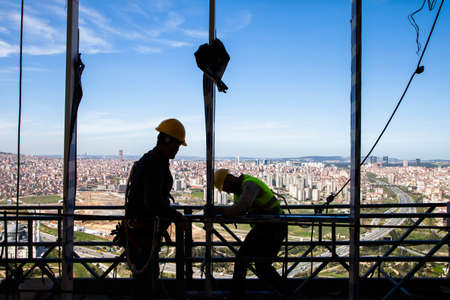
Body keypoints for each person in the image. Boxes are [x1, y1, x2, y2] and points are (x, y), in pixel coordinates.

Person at [125, 118, 188, 299]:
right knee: (145, 283)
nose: (177, 150)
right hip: (144, 231)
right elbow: (152, 201)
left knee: (146, 279)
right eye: (176, 145)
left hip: (142, 230)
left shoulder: (151, 159)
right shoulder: (155, 163)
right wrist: (176, 216)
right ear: (167, 141)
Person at [213, 169, 287, 299]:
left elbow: (241, 208)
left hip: (273, 227)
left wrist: (218, 210)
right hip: (265, 227)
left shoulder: (249, 185)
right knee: (259, 265)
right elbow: (237, 210)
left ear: (230, 180)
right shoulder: (240, 191)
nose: (228, 192)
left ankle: (284, 293)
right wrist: (222, 213)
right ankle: (285, 293)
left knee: (250, 262)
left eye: (226, 189)